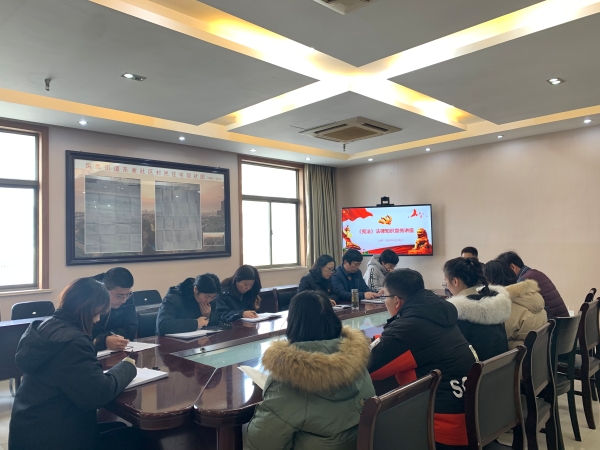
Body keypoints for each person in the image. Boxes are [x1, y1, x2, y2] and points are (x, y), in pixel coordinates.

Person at [9, 278, 139, 450]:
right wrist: (128, 365)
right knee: (136, 438)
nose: (97, 320)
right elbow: (98, 394)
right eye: (97, 314)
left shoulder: (45, 326)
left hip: (30, 429)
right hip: (54, 438)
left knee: (122, 430)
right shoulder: (73, 343)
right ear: (88, 310)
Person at [246, 291, 375, 450]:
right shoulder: (356, 358)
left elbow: (262, 442)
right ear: (332, 318)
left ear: (292, 322)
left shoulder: (290, 376)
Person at [368, 269, 477, 450]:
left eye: (385, 296)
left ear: (396, 301)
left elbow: (368, 367)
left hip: (441, 428)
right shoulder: (437, 313)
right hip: (471, 417)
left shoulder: (408, 328)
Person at [443, 257, 511, 361]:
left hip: (474, 369)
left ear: (455, 281)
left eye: (445, 281)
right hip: (499, 367)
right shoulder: (496, 306)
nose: (446, 286)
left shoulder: (456, 313)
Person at [483, 260, 547, 349]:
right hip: (538, 353)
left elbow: (493, 340)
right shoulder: (532, 296)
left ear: (490, 282)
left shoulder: (506, 308)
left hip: (519, 356)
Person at [496, 251, 569, 319]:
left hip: (552, 325)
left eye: (503, 272)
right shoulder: (536, 273)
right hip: (563, 324)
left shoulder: (523, 282)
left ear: (512, 267)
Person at [156, 273, 221, 335]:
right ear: (196, 289)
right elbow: (162, 325)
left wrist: (208, 317)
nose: (208, 300)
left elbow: (219, 322)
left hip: (199, 339)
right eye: (206, 297)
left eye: (213, 297)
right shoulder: (174, 298)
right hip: (171, 341)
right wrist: (196, 323)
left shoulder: (210, 301)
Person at [92, 268, 138, 352]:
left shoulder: (126, 296)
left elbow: (130, 329)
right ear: (105, 289)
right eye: (119, 296)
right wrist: (103, 341)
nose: (124, 301)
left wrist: (107, 338)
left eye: (127, 295)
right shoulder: (88, 297)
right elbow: (79, 335)